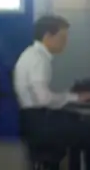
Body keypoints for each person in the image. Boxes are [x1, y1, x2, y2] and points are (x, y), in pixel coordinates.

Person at [13, 15, 90, 167]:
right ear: (48, 36)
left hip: (32, 120)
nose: (65, 42)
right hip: (38, 123)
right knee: (86, 130)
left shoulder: (32, 54)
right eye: (62, 37)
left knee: (80, 126)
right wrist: (72, 97)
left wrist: (71, 98)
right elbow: (43, 99)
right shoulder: (38, 59)